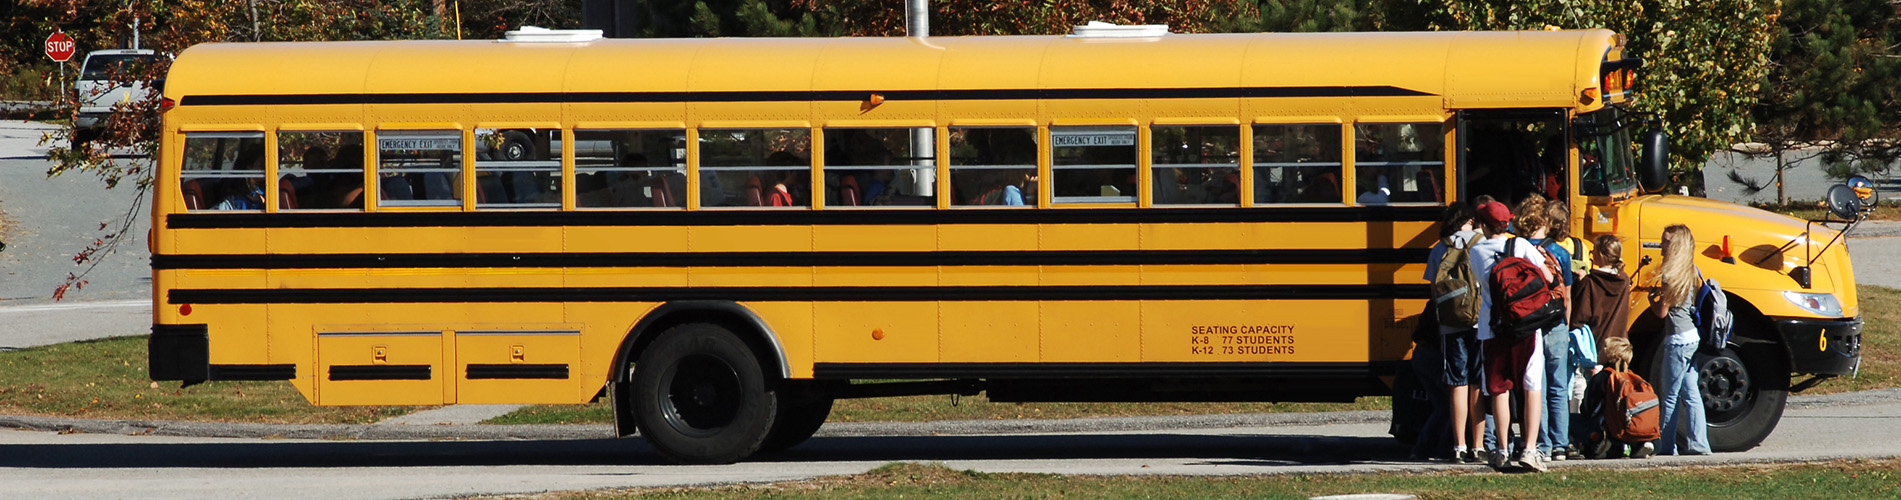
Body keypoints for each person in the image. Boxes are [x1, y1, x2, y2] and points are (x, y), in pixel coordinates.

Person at [1467, 200, 1552, 472]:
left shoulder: (1477, 251)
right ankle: (1530, 449)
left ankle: (1502, 449)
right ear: (1508, 223)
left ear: (1482, 224)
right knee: (1531, 387)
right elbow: (1548, 277)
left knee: (1499, 388)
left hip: (1493, 328)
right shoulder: (1523, 246)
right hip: (1527, 325)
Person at [1424, 202, 1485, 463]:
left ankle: (1458, 445)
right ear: (1470, 220)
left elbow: (1434, 291)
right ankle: (1478, 445)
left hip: (1451, 325)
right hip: (1481, 323)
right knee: (1477, 383)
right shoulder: (1483, 243)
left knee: (1457, 383)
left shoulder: (1441, 247)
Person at [1650, 224, 1712, 455]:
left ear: (1676, 246)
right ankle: (1699, 444)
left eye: (1666, 242)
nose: (1661, 246)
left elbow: (1662, 312)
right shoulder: (1692, 270)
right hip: (1692, 337)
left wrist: (1652, 300)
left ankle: (1666, 447)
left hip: (1677, 340)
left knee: (1669, 396)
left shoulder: (1670, 274)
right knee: (1691, 393)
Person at [1572, 233, 1631, 448]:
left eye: (1594, 251)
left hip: (1594, 348)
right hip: (1618, 346)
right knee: (1615, 396)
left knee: (1587, 396)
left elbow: (1581, 316)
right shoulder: (1624, 281)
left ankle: (1588, 438)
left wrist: (1578, 285)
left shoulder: (1590, 283)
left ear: (1602, 255)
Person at [1529, 197, 1576, 462]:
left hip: (1533, 324)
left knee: (1539, 387)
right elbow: (1566, 296)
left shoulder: (1522, 248)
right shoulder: (1561, 253)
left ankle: (1542, 443)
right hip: (1557, 323)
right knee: (1559, 387)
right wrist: (1565, 325)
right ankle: (1561, 444)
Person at [1580, 336, 1656, 458]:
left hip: (1606, 428)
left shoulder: (1601, 377)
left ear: (1609, 354)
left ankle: (1601, 442)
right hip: (1629, 428)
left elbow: (1587, 409)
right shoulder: (1635, 379)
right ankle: (1639, 442)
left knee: (1571, 420)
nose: (1598, 352)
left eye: (1602, 349)